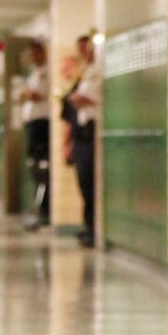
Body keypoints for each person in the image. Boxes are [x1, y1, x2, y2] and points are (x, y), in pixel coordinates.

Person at [66, 33, 100, 246]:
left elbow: (87, 98)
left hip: (91, 130)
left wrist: (78, 99)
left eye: (86, 48)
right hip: (81, 132)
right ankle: (87, 225)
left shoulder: (98, 71)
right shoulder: (85, 72)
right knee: (82, 181)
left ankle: (93, 227)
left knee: (89, 181)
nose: (83, 53)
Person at [18, 39, 51, 227]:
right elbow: (24, 95)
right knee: (35, 168)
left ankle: (44, 210)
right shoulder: (33, 75)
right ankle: (40, 208)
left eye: (35, 53)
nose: (32, 57)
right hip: (32, 124)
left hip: (42, 124)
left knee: (43, 169)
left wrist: (28, 94)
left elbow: (35, 96)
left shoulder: (47, 73)